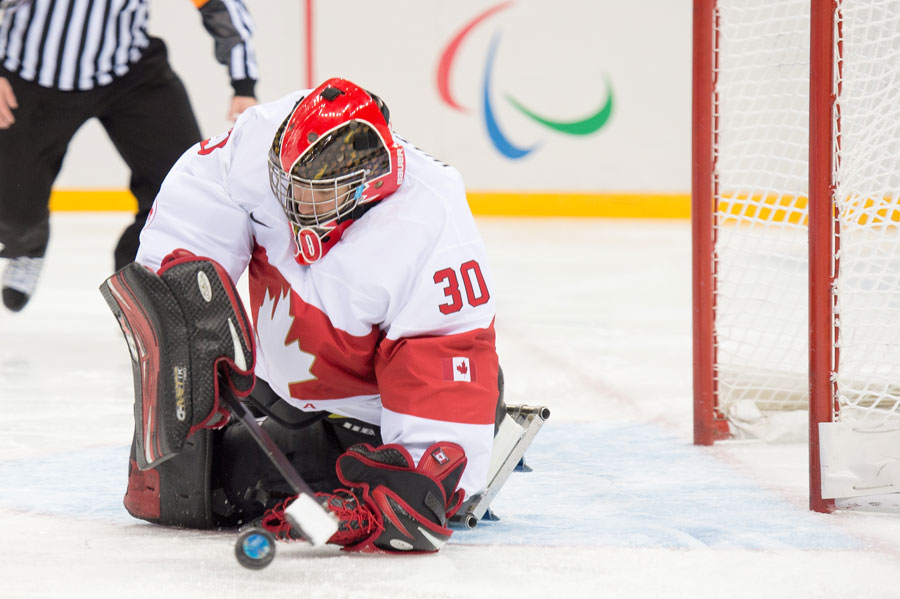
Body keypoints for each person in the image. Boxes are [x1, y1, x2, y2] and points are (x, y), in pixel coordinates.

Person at [102, 77, 501, 553]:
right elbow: (202, 193)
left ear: (365, 184)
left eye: (318, 193)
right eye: (289, 186)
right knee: (164, 491)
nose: (296, 204)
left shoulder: (430, 222)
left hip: (372, 414)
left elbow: (448, 347)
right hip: (279, 383)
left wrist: (421, 475)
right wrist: (185, 308)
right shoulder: (269, 138)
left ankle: (469, 431)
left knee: (225, 492)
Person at [0, 0, 259, 312]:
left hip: (127, 71)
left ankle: (138, 278)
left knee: (182, 189)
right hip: (29, 75)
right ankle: (27, 246)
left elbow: (218, 4)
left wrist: (243, 82)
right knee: (13, 206)